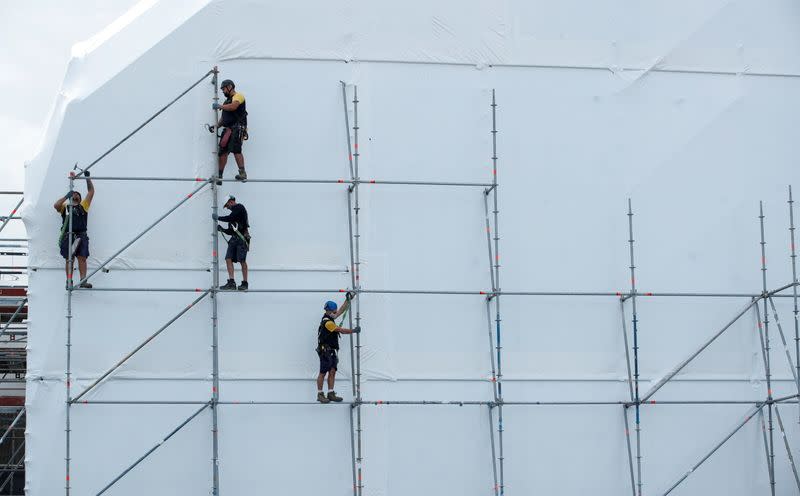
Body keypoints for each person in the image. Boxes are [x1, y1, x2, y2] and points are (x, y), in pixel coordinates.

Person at [316, 292, 360, 403]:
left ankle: (331, 393)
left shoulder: (331, 317)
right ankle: (320, 394)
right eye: (333, 311)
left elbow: (341, 311)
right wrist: (353, 331)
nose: (335, 313)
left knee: (332, 371)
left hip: (331, 350)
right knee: (323, 372)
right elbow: (340, 330)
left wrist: (348, 300)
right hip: (325, 350)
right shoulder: (327, 322)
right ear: (328, 311)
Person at [53, 171, 95, 288]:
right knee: (69, 259)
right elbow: (56, 205)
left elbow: (91, 192)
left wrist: (87, 178)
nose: (75, 194)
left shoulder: (83, 206)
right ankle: (69, 280)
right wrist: (66, 196)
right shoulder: (65, 207)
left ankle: (83, 280)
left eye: (77, 194)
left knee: (82, 257)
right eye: (74, 193)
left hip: (80, 235)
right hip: (68, 236)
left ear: (80, 198)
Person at [212, 79, 248, 183]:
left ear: (230, 87)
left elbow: (233, 107)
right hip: (228, 129)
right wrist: (216, 126)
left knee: (236, 149)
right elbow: (224, 118)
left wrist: (220, 106)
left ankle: (242, 173)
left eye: (224, 89)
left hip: (238, 127)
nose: (223, 91)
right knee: (222, 152)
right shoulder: (226, 102)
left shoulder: (238, 96)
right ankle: (220, 176)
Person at [213, 195, 250, 290]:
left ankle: (245, 283)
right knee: (228, 258)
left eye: (227, 206)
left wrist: (218, 218)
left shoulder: (239, 208)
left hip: (241, 239)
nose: (228, 208)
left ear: (231, 201)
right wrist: (223, 230)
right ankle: (231, 282)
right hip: (234, 239)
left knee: (242, 261)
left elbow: (230, 218)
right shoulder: (234, 213)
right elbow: (231, 230)